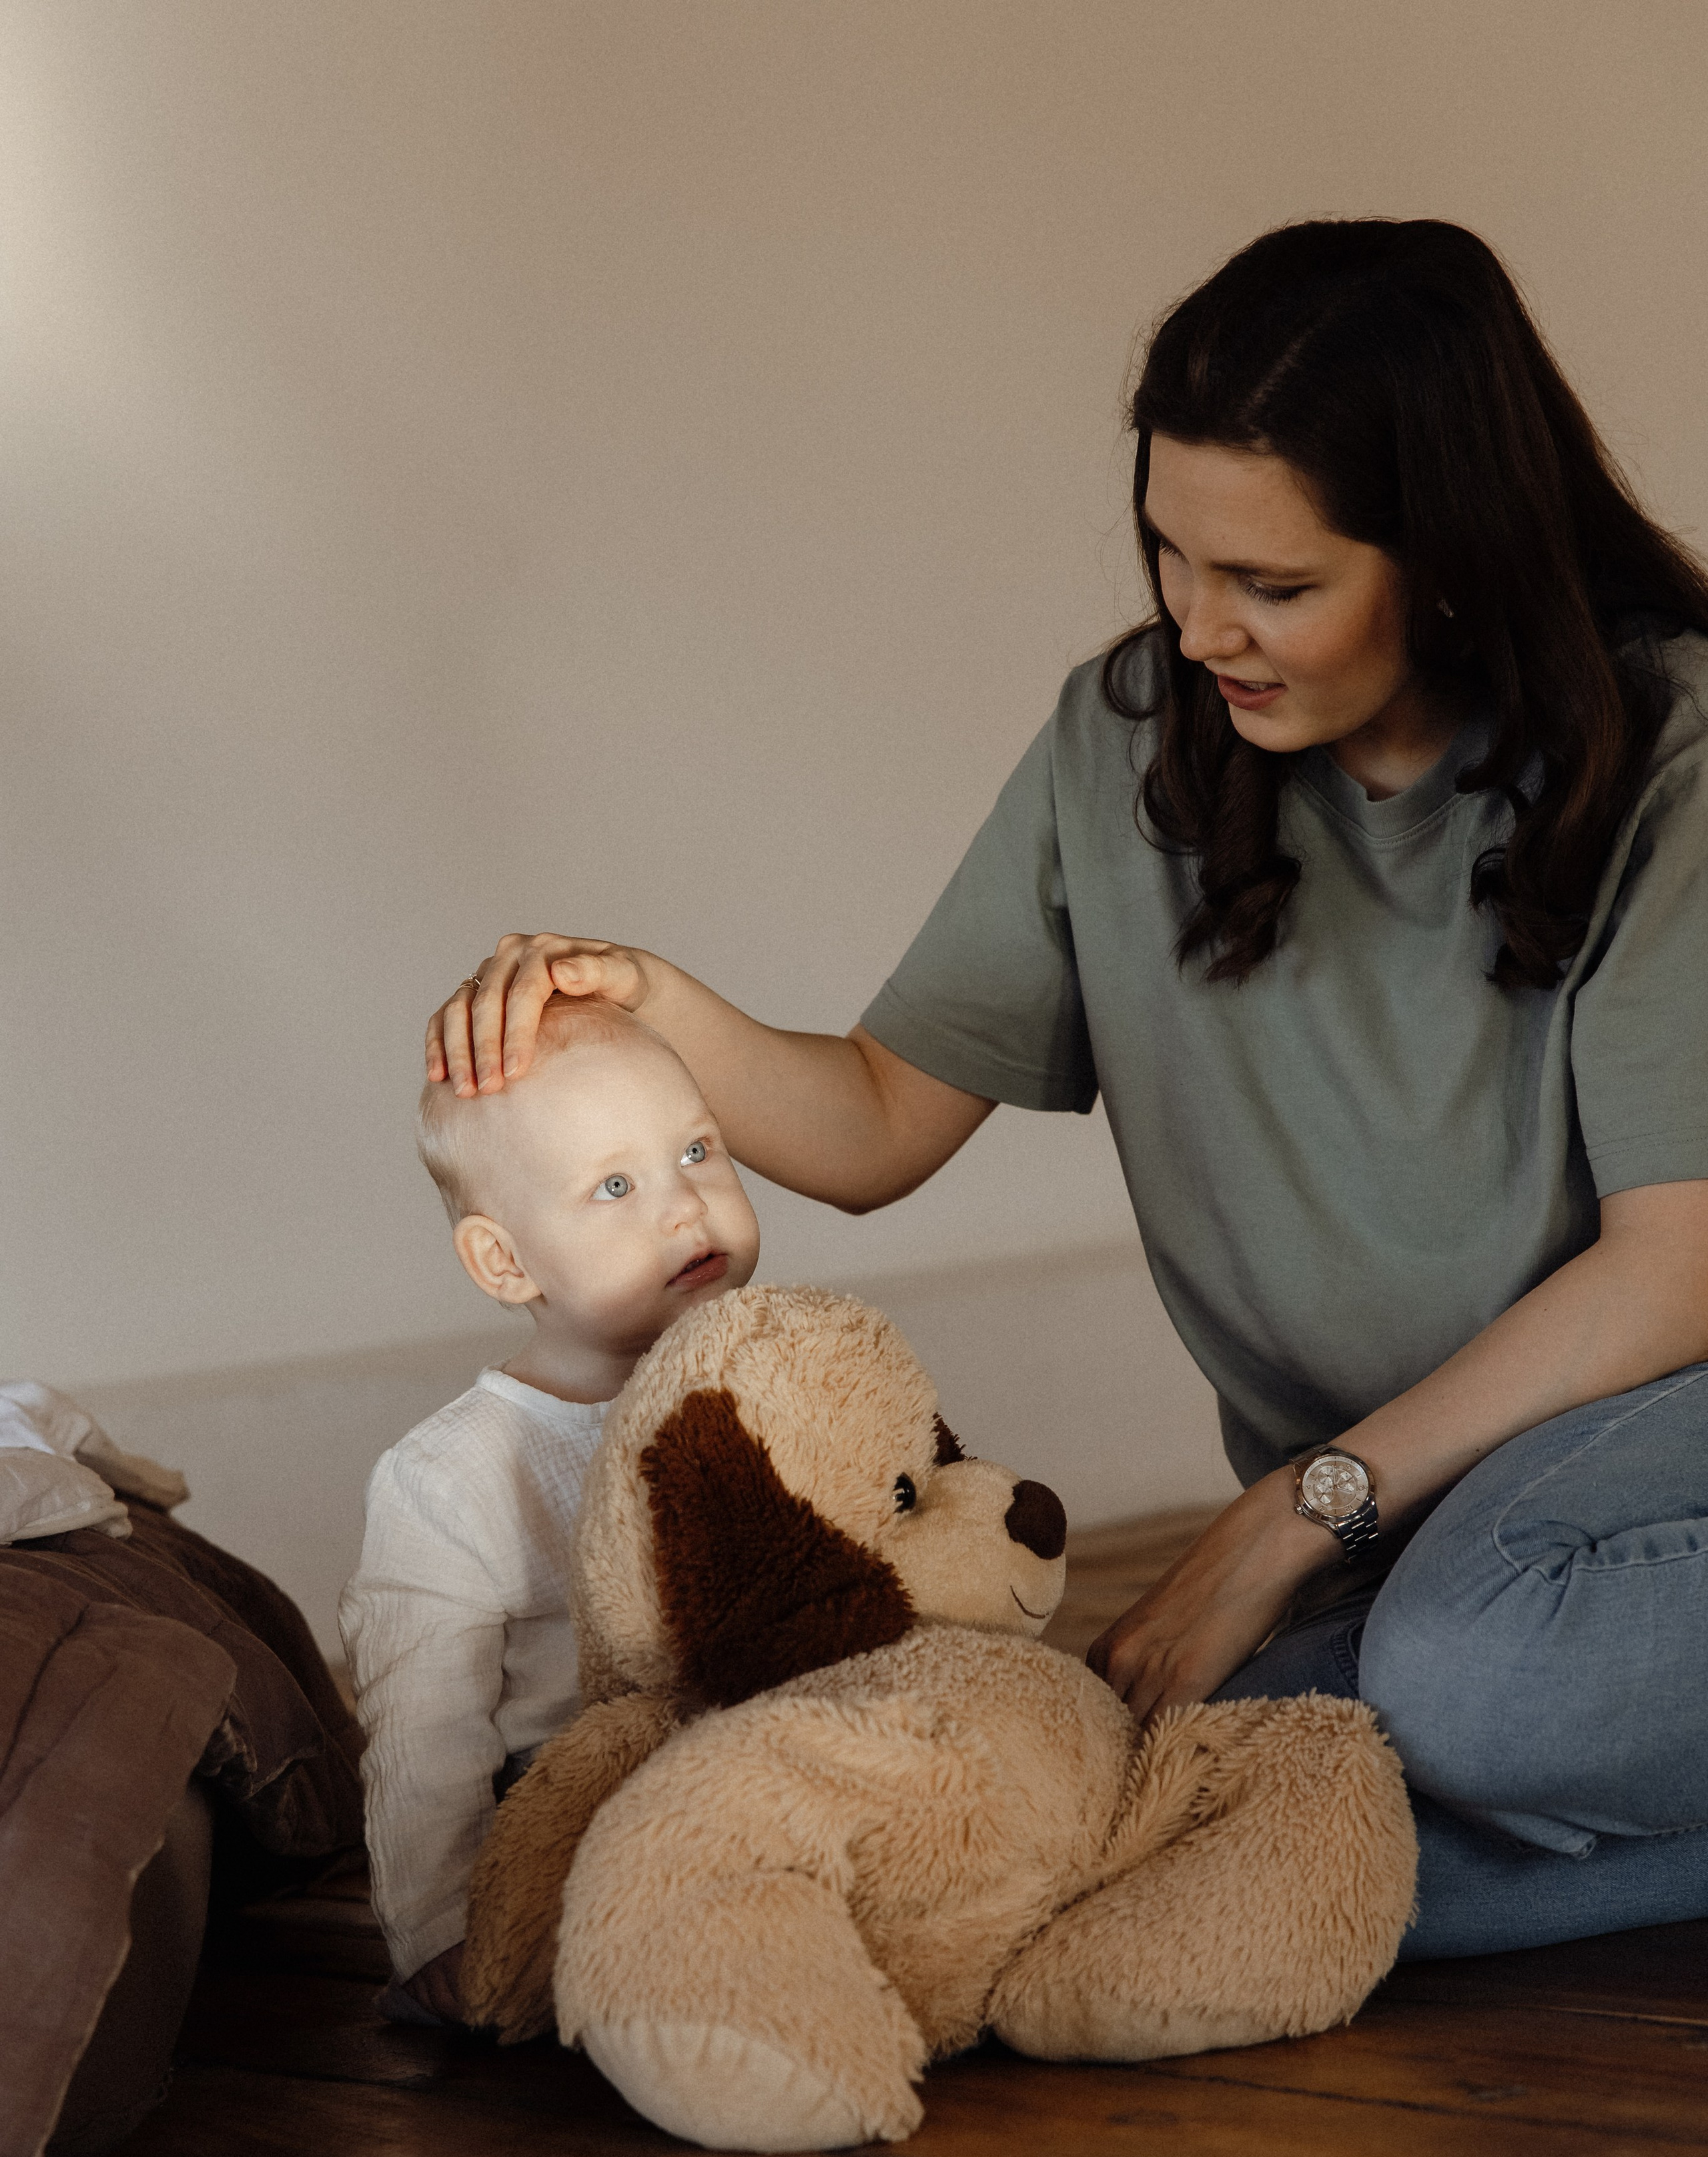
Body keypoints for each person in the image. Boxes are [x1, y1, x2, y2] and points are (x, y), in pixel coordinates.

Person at [425, 220, 1708, 1962]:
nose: (1198, 627)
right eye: (1172, 556)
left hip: (1634, 1456)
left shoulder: (1674, 755)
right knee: (1154, 1775)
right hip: (1430, 1522)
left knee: (1452, 1684)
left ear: (1458, 564)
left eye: (1273, 584)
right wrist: (650, 1000)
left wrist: (1288, 1514)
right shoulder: (1125, 742)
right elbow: (877, 1125)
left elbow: (1670, 1273)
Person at [341, 995, 760, 2022]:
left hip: (760, 1767)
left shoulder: (773, 1381)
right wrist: (441, 1924)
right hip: (577, 1816)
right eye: (614, 1185)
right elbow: (421, 1727)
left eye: (698, 1150)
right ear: (506, 1262)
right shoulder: (455, 1474)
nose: (683, 1205)